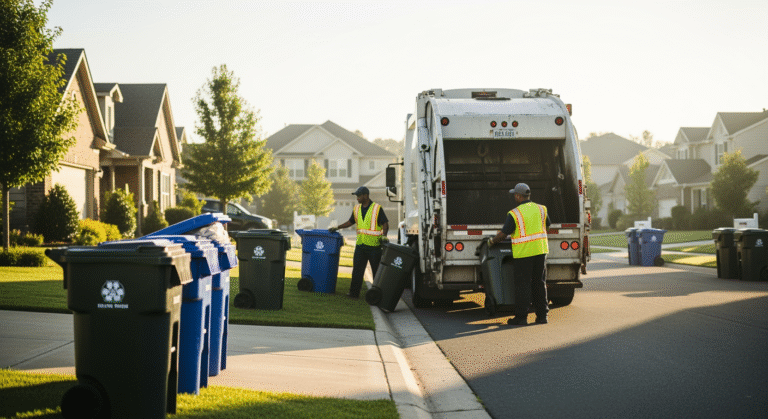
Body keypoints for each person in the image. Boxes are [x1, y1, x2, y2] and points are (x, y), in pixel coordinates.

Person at [487, 183, 551, 325]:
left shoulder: (514, 213)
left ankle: (521, 318)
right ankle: (542, 316)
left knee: (523, 286)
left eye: (514, 195)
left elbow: (504, 233)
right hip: (541, 251)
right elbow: (547, 225)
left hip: (524, 254)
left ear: (518, 196)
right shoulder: (542, 209)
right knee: (539, 284)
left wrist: (492, 242)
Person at [329, 186, 389, 298]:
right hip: (361, 246)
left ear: (365, 196)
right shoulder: (356, 209)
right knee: (357, 271)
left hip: (374, 247)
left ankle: (377, 295)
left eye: (358, 196)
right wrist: (337, 227)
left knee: (376, 272)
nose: (357, 198)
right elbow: (350, 222)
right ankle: (354, 293)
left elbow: (385, 224)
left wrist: (384, 237)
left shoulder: (377, 208)